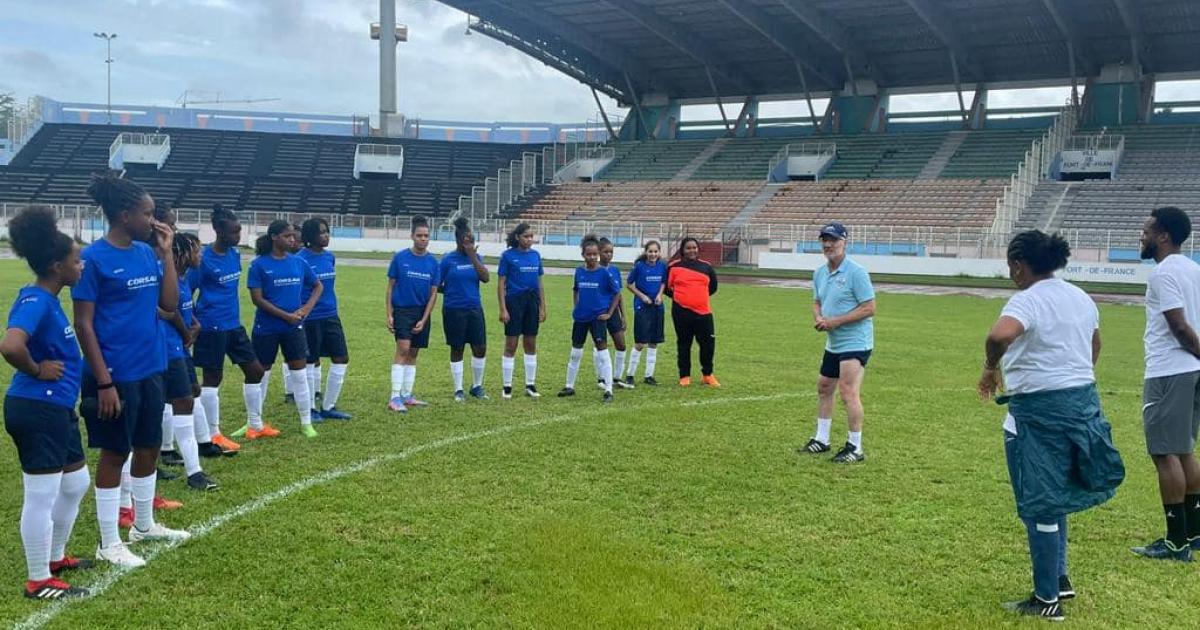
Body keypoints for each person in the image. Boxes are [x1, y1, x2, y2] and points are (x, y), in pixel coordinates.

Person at [978, 230, 1124, 620]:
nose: (1011, 273)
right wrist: (1074, 376)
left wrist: (991, 367)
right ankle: (1059, 578)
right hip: (1081, 406)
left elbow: (999, 334)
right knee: (1054, 494)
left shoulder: (1028, 299)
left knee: (1039, 500)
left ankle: (1047, 601)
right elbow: (1095, 344)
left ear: (1019, 264)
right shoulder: (1079, 296)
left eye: (1011, 266)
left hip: (1039, 414)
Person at [73, 174, 190, 569]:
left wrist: (167, 254)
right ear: (125, 216)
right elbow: (84, 324)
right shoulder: (94, 259)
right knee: (114, 451)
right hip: (113, 375)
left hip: (150, 367)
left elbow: (170, 304)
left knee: (148, 446)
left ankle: (143, 525)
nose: (154, 221)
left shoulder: (146, 253)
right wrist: (103, 380)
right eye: (148, 213)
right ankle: (109, 542)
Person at [2, 206, 91, 599]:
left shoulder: (50, 299)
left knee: (75, 482)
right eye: (76, 260)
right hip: (37, 406)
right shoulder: (36, 300)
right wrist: (37, 369)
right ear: (57, 266)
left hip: (55, 406)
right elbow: (10, 345)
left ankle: (55, 558)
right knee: (42, 494)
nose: (81, 265)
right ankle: (38, 579)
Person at [1134, 206, 1200, 561]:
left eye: (1146, 231)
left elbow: (1178, 326)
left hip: (1169, 371)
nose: (1141, 236)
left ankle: (1176, 542)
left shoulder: (1163, 275)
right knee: (1186, 449)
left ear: (1163, 236)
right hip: (1190, 371)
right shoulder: (1194, 269)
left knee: (1165, 452)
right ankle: (1194, 531)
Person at [233, 220, 322, 439]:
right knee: (260, 375)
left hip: (293, 328)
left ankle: (306, 422)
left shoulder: (298, 263)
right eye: (287, 236)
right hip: (267, 328)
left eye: (293, 236)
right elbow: (258, 299)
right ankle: (253, 422)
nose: (293, 240)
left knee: (299, 375)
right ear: (274, 237)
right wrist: (286, 316)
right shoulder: (259, 265)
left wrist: (305, 310)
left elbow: (318, 286)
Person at [191, 204, 265, 454]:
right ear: (218, 231)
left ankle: (255, 425)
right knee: (213, 379)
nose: (238, 236)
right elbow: (186, 293)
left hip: (234, 324)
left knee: (255, 371)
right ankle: (213, 433)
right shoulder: (203, 259)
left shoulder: (234, 255)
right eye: (234, 232)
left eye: (239, 231)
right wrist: (193, 324)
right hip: (211, 326)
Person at [801, 223, 874, 463]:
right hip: (834, 342)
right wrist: (819, 318)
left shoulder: (856, 272)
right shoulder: (820, 273)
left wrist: (836, 322)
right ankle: (822, 439)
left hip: (855, 342)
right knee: (824, 386)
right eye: (824, 240)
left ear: (844, 242)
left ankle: (856, 447)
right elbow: (816, 301)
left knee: (848, 392)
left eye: (833, 240)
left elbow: (869, 308)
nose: (828, 244)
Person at [159, 232, 219, 491]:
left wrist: (194, 325)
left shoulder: (182, 278)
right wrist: (186, 332)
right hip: (167, 347)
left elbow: (182, 309)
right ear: (182, 253)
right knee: (181, 400)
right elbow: (166, 311)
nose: (200, 255)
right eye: (197, 251)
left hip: (179, 348)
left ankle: (166, 453)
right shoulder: (166, 275)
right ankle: (193, 472)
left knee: (188, 395)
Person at [298, 218, 352, 421]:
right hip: (310, 317)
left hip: (331, 315)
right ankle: (311, 408)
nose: (326, 235)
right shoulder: (300, 259)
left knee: (341, 358)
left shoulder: (330, 257)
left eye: (327, 231)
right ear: (310, 236)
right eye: (322, 232)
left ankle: (329, 406)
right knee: (311, 361)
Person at [557, 235, 620, 403]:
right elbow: (576, 290)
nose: (592, 257)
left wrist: (609, 313)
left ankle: (608, 389)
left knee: (602, 352)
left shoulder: (603, 273)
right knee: (575, 352)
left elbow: (617, 293)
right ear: (583, 255)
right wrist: (576, 306)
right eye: (588, 254)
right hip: (581, 318)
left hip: (598, 318)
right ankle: (569, 386)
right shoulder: (579, 272)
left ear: (598, 254)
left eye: (594, 255)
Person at [387, 216, 439, 412]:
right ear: (412, 236)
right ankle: (394, 397)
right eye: (419, 235)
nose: (423, 239)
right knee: (403, 348)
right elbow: (390, 288)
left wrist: (425, 318)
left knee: (414, 352)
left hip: (421, 312)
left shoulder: (433, 263)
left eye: (426, 236)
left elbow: (433, 293)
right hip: (402, 310)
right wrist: (389, 314)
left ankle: (407, 395)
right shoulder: (400, 258)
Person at [439, 217, 490, 402]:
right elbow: (435, 284)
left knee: (480, 347)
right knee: (457, 348)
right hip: (453, 310)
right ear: (459, 241)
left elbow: (485, 278)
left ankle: (476, 386)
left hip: (474, 309)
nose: (471, 243)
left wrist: (472, 257)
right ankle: (458, 389)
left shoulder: (476, 257)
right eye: (467, 240)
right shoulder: (447, 260)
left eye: (473, 240)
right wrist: (450, 290)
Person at [497, 222, 546, 399]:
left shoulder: (535, 255)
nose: (529, 239)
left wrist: (542, 307)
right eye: (526, 236)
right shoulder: (508, 256)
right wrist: (503, 309)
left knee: (530, 343)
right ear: (518, 237)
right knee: (511, 344)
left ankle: (530, 384)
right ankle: (507, 386)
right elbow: (501, 283)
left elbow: (539, 283)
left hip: (532, 301)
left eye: (531, 236)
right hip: (514, 302)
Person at [665, 237, 719, 388]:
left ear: (698, 249)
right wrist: (682, 298)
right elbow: (668, 289)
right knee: (684, 344)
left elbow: (713, 287)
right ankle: (684, 376)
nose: (692, 250)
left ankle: (708, 375)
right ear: (682, 250)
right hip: (681, 313)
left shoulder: (707, 267)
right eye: (688, 248)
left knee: (708, 344)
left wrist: (698, 297)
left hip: (704, 312)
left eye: (694, 247)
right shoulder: (673, 267)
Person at [624, 240, 667, 386]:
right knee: (640, 342)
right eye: (650, 251)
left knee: (654, 342)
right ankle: (630, 375)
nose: (653, 254)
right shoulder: (639, 267)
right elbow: (629, 284)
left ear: (659, 253)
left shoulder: (662, 266)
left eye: (656, 251)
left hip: (657, 307)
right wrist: (642, 296)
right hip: (642, 308)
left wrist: (660, 295)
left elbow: (663, 282)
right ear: (646, 252)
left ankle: (649, 375)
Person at [597, 238, 633, 390]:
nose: (608, 255)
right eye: (605, 251)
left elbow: (619, 295)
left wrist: (624, 316)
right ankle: (601, 378)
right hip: (598, 312)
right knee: (600, 346)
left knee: (621, 344)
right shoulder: (595, 270)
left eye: (611, 252)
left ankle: (616, 377)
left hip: (614, 313)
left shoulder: (615, 270)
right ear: (599, 252)